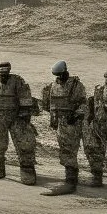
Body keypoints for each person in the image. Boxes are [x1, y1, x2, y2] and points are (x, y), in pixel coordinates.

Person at [0, 61, 38, 184]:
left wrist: (25, 114)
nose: (3, 76)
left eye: (5, 73)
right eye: (1, 74)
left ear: (9, 71)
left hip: (17, 117)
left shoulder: (18, 81)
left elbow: (26, 98)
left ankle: (27, 168)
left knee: (24, 142)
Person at [41, 61, 89, 196]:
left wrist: (75, 116)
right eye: (56, 76)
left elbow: (83, 104)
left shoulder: (76, 86)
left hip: (72, 124)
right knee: (65, 150)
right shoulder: (53, 86)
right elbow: (48, 105)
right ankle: (71, 179)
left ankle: (70, 182)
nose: (59, 78)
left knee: (69, 152)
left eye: (61, 75)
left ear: (66, 72)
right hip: (60, 125)